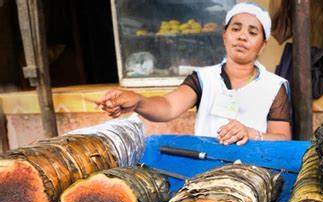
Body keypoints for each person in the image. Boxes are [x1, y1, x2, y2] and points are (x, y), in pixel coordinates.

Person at [98, 2, 292, 145]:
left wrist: (251, 134)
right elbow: (168, 106)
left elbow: (283, 139)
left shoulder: (274, 86)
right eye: (235, 28)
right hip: (206, 168)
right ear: (225, 36)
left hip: (255, 173)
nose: (242, 36)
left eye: (252, 32)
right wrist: (139, 101)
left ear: (263, 45)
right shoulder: (204, 79)